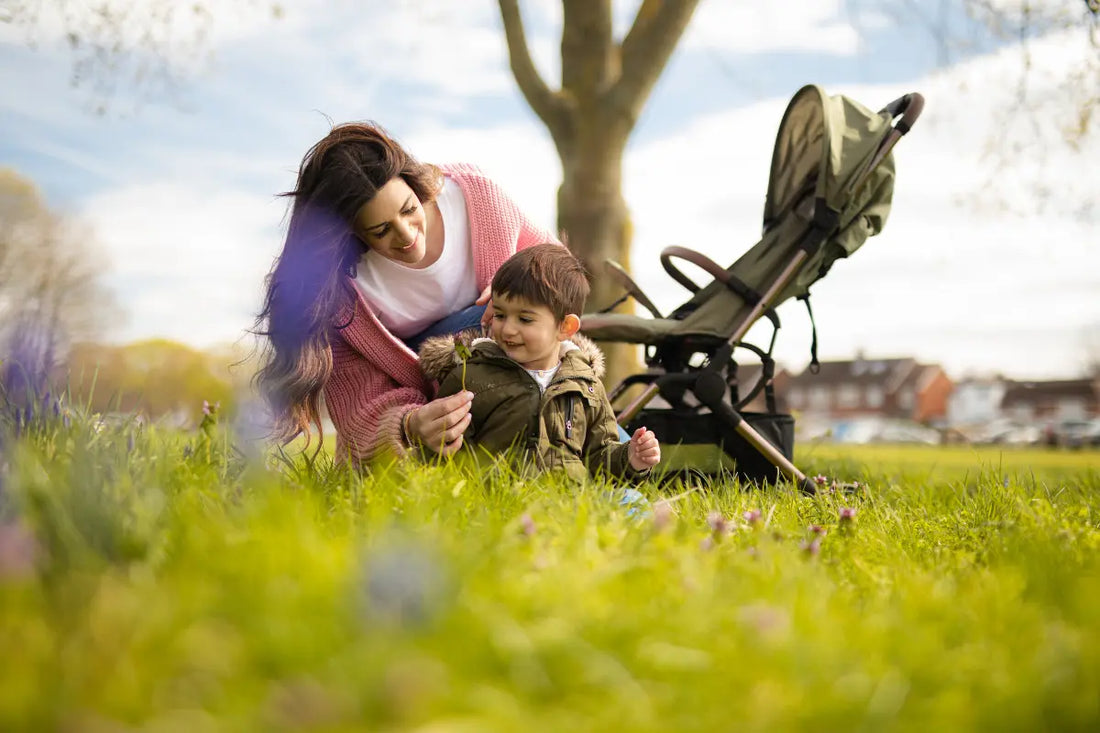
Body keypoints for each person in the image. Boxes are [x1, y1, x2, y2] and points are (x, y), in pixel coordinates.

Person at [254, 122, 559, 462]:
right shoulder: (337, 296)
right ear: (351, 234)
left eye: (409, 209)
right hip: (434, 406)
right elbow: (358, 407)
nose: (406, 235)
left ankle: (609, 479)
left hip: (520, 375)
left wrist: (521, 283)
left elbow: (561, 271)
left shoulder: (475, 197)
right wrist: (412, 423)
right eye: (381, 230)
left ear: (415, 187)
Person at [417, 244, 661, 481]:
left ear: (565, 327)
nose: (508, 329)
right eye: (500, 315)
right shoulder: (472, 376)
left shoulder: (586, 386)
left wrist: (631, 458)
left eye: (524, 319)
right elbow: (446, 453)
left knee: (633, 511)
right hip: (497, 506)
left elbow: (597, 456)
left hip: (565, 511)